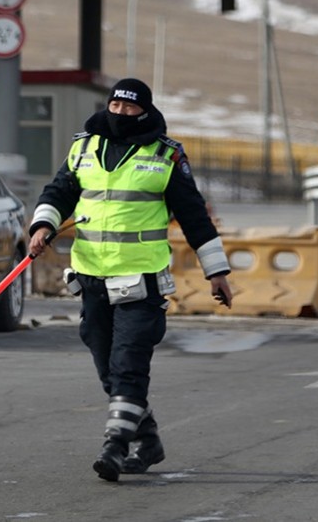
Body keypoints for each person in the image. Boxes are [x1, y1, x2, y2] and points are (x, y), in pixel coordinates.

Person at [28, 77, 233, 482]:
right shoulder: (84, 146)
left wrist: (218, 272)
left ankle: (116, 445)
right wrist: (41, 226)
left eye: (129, 108)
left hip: (142, 280)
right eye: (115, 106)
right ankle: (149, 438)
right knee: (106, 362)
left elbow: (194, 216)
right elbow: (59, 191)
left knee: (128, 364)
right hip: (90, 277)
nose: (120, 113)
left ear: (145, 110)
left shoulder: (166, 155)